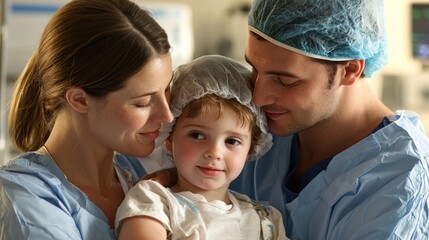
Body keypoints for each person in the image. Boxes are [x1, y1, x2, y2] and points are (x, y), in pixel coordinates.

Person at [228, 0, 429, 239]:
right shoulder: (254, 129)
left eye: (286, 81)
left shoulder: (400, 182)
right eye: (254, 69)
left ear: (350, 70)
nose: (258, 98)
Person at [0, 0, 174, 239]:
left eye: (167, 91)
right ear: (80, 100)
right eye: (142, 103)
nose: (166, 115)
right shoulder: (27, 197)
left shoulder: (138, 175)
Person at [115, 55, 288, 240]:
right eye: (197, 135)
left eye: (232, 141)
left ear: (250, 150)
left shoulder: (265, 220)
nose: (214, 152)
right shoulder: (154, 202)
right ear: (169, 137)